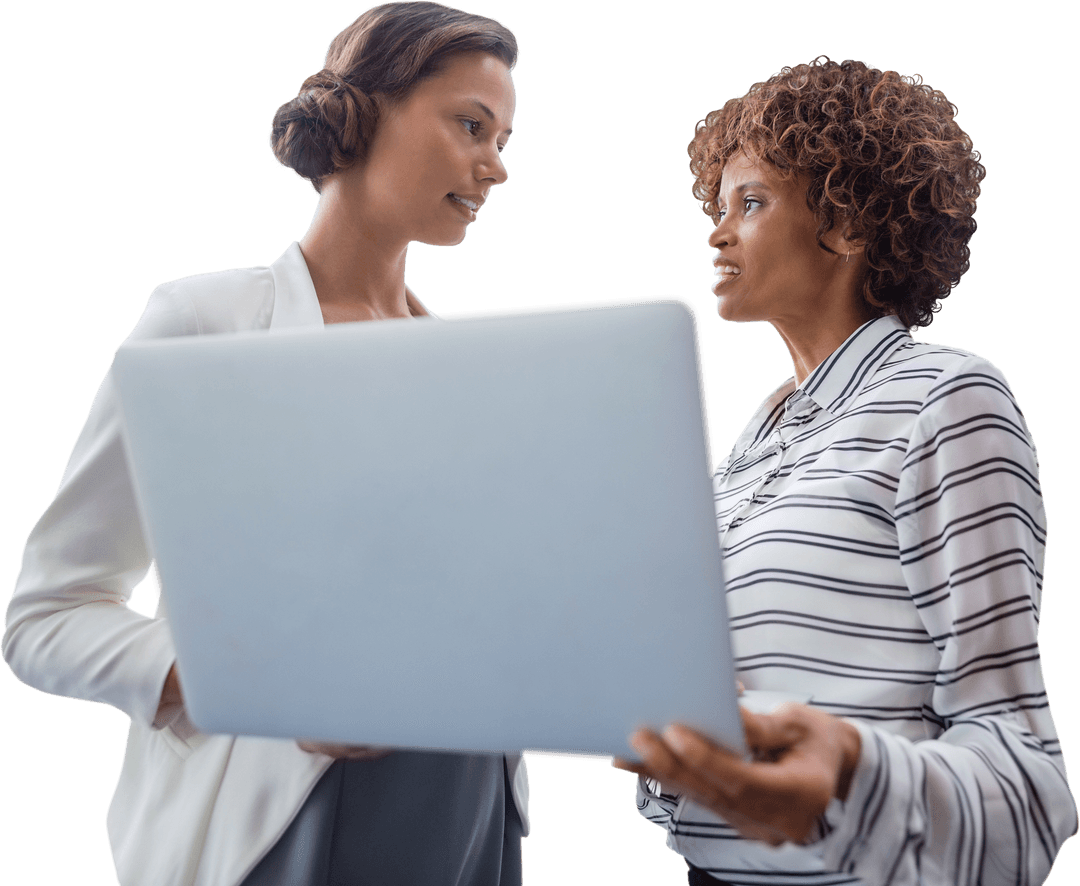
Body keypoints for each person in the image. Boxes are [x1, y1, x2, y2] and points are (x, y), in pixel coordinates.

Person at [1, 3, 527, 885]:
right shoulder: (203, 324)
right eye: (472, 125)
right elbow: (43, 619)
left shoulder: (477, 371)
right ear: (365, 113)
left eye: (504, 137)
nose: (497, 165)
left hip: (473, 818)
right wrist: (255, 687)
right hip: (286, 827)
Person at [615, 57, 1078, 886]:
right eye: (717, 210)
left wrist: (849, 772)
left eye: (750, 204)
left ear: (850, 224)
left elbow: (1026, 789)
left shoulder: (947, 401)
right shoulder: (751, 444)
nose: (716, 234)